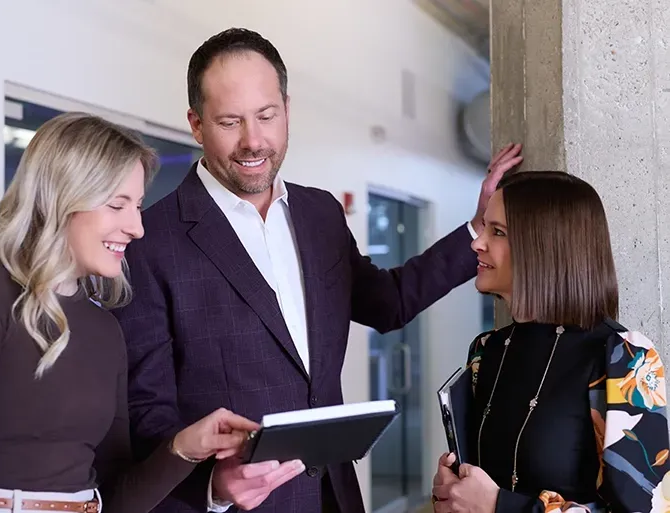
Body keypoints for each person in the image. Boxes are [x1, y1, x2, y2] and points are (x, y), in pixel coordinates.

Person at [112, 27, 523, 513]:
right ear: (196, 124)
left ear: (287, 108)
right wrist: (212, 489)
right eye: (229, 122)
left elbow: (388, 302)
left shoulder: (320, 214)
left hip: (336, 497)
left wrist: (479, 226)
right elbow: (146, 415)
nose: (253, 140)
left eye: (267, 116)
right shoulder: (150, 241)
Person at [0, 112, 260, 513]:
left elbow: (116, 499)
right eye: (117, 205)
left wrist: (184, 448)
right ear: (62, 198)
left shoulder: (104, 328)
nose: (137, 228)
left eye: (138, 206)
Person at [431, 171, 670, 512]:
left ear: (546, 246)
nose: (477, 242)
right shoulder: (486, 351)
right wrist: (454, 494)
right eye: (484, 227)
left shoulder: (625, 359)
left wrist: (501, 506)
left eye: (497, 232)